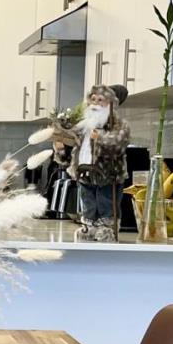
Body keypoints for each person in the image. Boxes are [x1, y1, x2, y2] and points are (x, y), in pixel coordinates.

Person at [66, 84, 130, 240]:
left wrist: (100, 138)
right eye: (93, 99)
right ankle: (88, 227)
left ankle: (106, 228)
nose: (95, 103)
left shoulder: (117, 125)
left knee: (105, 200)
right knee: (87, 200)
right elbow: (74, 149)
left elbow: (119, 143)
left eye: (100, 100)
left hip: (107, 173)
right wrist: (61, 148)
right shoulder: (83, 125)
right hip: (84, 171)